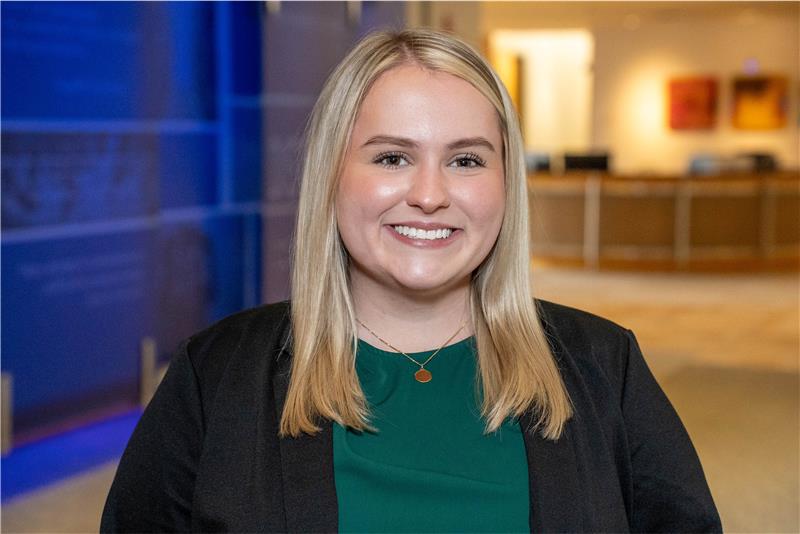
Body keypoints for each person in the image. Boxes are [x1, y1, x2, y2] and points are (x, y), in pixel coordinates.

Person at [101, 29, 721, 533]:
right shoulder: (214, 377)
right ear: (332, 176)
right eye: (392, 157)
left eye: (466, 160)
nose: (429, 194)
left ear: (506, 185)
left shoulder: (604, 366)